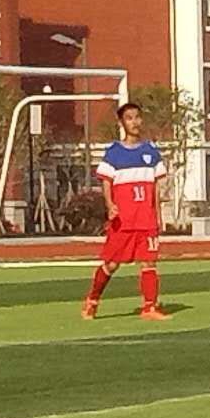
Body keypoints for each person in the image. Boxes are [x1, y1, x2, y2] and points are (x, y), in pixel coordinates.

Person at [82, 103, 170, 321]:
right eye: (129, 118)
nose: (135, 122)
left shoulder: (150, 152)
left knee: (149, 262)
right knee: (112, 264)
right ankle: (92, 299)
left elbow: (156, 187)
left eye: (137, 117)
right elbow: (106, 182)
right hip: (123, 220)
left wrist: (158, 215)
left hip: (146, 220)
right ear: (121, 123)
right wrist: (110, 204)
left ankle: (149, 307)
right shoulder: (114, 153)